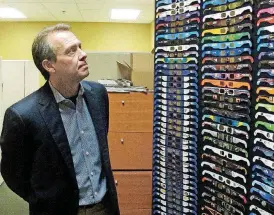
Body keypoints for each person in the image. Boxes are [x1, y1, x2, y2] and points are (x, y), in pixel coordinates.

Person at [0, 23, 119, 215]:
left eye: (80, 46)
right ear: (49, 65)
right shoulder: (22, 115)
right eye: (71, 51)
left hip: (105, 207)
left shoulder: (98, 95)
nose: (83, 54)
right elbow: (13, 174)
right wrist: (43, 199)